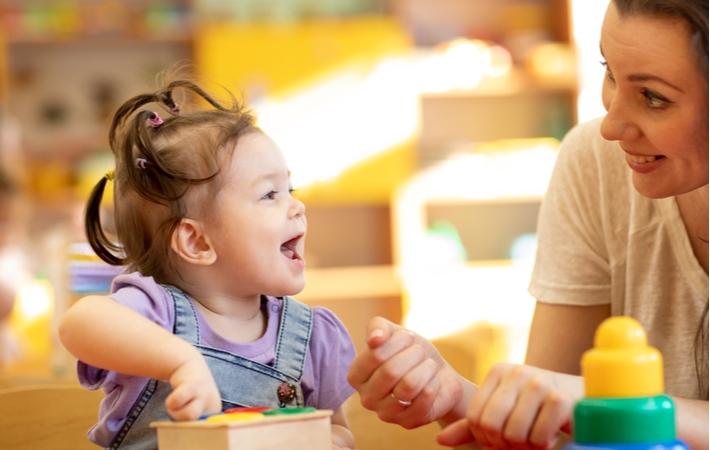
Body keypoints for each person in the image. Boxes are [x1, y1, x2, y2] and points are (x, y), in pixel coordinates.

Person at [347, 0, 709, 449]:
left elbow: (576, 401)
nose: (610, 126)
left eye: (653, 97)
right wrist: (458, 396)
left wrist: (612, 404)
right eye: (610, 71)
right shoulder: (595, 165)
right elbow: (552, 426)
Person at [59, 78, 357, 450]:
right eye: (269, 194)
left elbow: (342, 434)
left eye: (290, 190)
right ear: (197, 242)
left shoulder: (313, 339)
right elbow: (78, 324)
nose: (298, 206)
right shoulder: (156, 316)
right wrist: (180, 362)